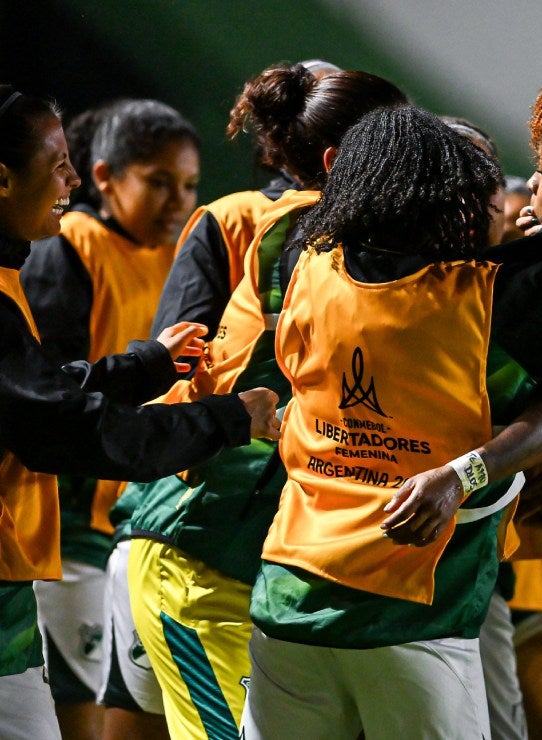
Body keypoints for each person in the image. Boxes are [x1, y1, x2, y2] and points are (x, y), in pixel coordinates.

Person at [121, 64, 408, 740]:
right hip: (201, 550)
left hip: (268, 567)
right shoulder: (305, 239)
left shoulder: (349, 242)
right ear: (342, 161)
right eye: (402, 148)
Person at [0, 83, 278, 740]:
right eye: (58, 163)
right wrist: (227, 419)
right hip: (71, 541)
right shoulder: (64, 252)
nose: (71, 178)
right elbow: (64, 427)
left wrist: (145, 365)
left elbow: (38, 388)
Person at [18, 96, 201, 739]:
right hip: (68, 521)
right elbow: (51, 399)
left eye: (188, 185)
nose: (178, 199)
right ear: (105, 178)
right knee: (81, 721)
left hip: (126, 511)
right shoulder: (67, 248)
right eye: (158, 182)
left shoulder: (176, 257)